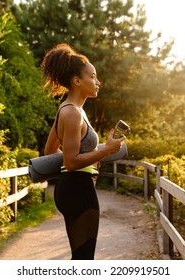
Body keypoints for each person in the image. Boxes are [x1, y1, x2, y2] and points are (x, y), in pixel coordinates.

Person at [42, 43, 125, 260]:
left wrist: (92, 155)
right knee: (84, 260)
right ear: (77, 81)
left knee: (80, 257)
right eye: (93, 76)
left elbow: (50, 150)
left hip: (70, 189)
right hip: (79, 190)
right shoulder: (73, 114)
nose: (98, 82)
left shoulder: (67, 109)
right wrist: (106, 149)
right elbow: (70, 162)